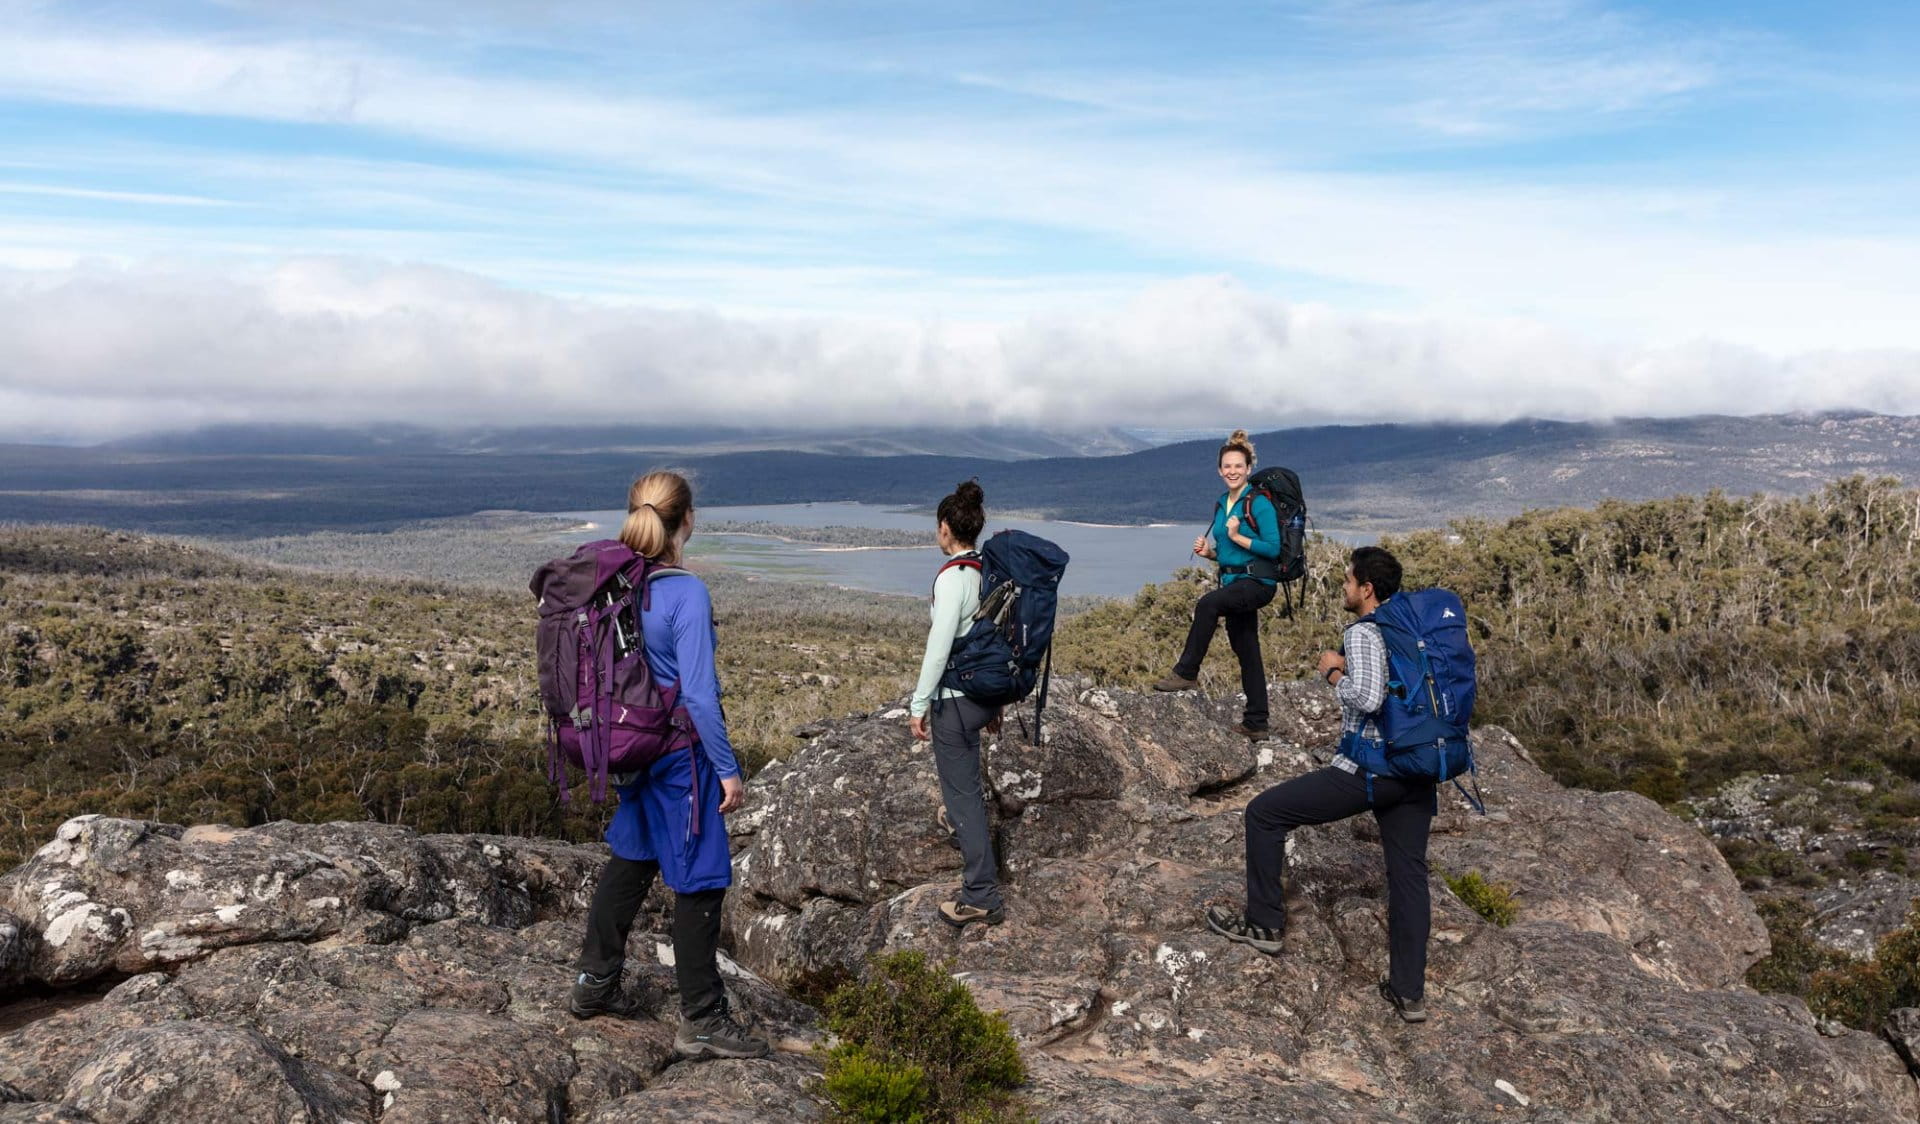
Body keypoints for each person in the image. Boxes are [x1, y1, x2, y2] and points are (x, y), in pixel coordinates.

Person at [567, 470, 770, 1059]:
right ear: (687, 521)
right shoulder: (684, 592)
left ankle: (593, 984)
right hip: (681, 756)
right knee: (701, 878)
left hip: (631, 749)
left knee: (630, 860)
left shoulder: (611, 582)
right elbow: (701, 696)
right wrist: (727, 767)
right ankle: (702, 1017)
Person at [1203, 546, 1438, 1024]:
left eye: (1349, 581)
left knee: (1264, 813)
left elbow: (1370, 699)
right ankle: (1408, 993)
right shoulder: (1414, 628)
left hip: (1371, 770)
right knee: (1409, 876)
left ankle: (1265, 925)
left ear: (1367, 589)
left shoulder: (1367, 632)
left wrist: (1333, 670)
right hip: (1418, 769)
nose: (1345, 588)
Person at [907, 479, 1006, 929]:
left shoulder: (952, 578)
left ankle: (981, 895)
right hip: (984, 697)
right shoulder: (990, 570)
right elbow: (993, 640)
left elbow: (939, 646)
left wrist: (919, 703)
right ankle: (964, 833)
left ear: (945, 528)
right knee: (963, 792)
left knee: (963, 795)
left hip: (956, 702)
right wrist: (996, 700)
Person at [1154, 428, 1282, 738]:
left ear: (1249, 469)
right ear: (1219, 470)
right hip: (1234, 582)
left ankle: (1186, 672)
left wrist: (1238, 535)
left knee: (1208, 603)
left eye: (1239, 466)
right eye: (1227, 466)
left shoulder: (1259, 502)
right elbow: (1228, 553)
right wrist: (1210, 552)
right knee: (1246, 648)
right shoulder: (1222, 502)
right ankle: (1256, 722)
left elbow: (1273, 548)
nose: (1233, 471)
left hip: (1258, 582)